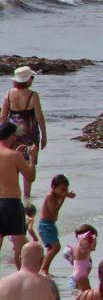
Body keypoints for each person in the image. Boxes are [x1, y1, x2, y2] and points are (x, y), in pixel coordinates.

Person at [1, 66, 46, 198]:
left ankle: (12, 191)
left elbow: (3, 116)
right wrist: (44, 134)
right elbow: (39, 117)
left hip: (12, 132)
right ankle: (27, 195)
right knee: (28, 161)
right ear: (28, 80)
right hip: (30, 132)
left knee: (12, 160)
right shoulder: (33, 95)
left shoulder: (9, 94)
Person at [0, 120, 37, 270]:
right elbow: (30, 176)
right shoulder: (14, 155)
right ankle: (24, 277)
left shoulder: (15, 155)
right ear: (9, 136)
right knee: (21, 247)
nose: (15, 139)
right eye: (14, 136)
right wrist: (32, 158)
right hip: (11, 203)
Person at [38, 173, 74, 276]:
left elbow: (60, 195)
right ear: (53, 187)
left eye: (65, 190)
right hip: (45, 226)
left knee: (50, 248)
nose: (63, 192)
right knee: (56, 247)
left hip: (50, 225)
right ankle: (43, 269)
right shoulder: (50, 196)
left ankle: (43, 269)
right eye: (62, 189)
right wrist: (63, 198)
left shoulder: (56, 194)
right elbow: (54, 211)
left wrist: (67, 195)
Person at [64, 224, 97, 292]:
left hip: (75, 277)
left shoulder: (77, 250)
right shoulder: (82, 250)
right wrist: (93, 237)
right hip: (80, 278)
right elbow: (93, 248)